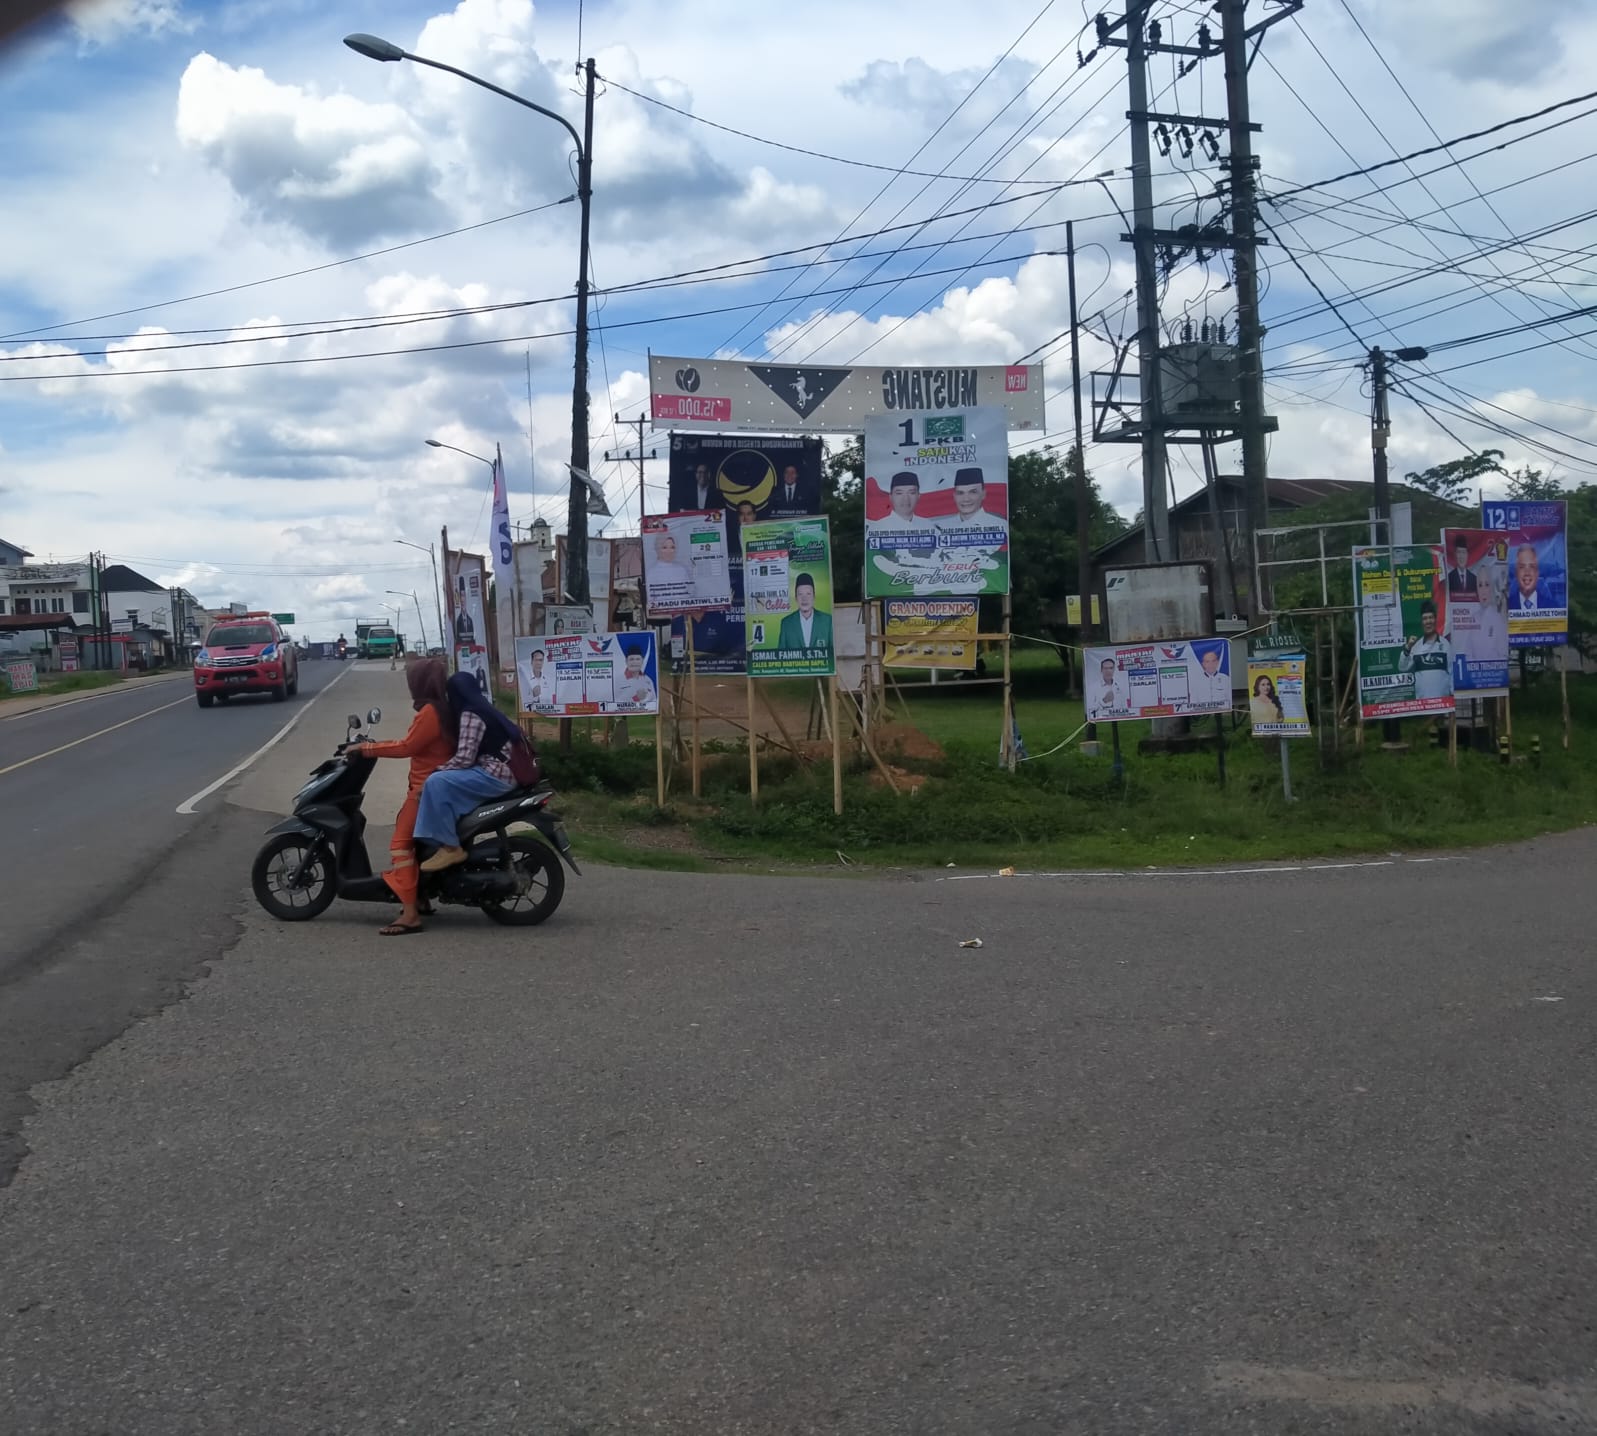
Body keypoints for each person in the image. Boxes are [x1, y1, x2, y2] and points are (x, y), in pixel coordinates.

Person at [346, 658, 454, 936]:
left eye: (412, 681)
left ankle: (410, 915)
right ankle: (420, 896)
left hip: (426, 791)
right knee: (416, 844)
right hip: (431, 787)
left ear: (420, 683)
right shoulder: (441, 708)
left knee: (400, 845)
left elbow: (407, 746)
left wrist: (367, 748)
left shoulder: (430, 712)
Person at [415, 673, 524, 872]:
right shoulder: (485, 708)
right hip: (505, 772)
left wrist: (436, 770)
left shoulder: (470, 714)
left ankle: (451, 848)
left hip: (496, 775)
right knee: (444, 783)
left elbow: (464, 758)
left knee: (436, 782)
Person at [1400, 599, 1452, 701]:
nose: (1428, 621)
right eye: (1425, 618)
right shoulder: (1416, 646)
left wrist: (1451, 705)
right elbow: (1403, 668)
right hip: (1422, 705)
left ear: (1435, 619)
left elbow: (1452, 673)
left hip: (1442, 704)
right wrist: (1407, 648)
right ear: (1421, 621)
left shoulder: (1445, 644)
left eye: (1430, 618)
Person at [776, 572, 833, 652]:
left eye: (808, 594)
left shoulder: (827, 621)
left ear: (814, 596)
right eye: (800, 594)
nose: (804, 598)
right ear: (796, 598)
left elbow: (832, 652)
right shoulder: (786, 623)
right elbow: (780, 654)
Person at [1509, 543, 1557, 611]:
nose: (1527, 573)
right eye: (1522, 567)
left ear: (1537, 573)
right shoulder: (1506, 607)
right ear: (1516, 573)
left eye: (1531, 566)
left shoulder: (1553, 607)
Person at [1194, 644, 1231, 708]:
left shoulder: (1226, 678)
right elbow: (1194, 701)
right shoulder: (1196, 681)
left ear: (1217, 662)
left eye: (1213, 661)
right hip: (1202, 710)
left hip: (1222, 709)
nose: (1211, 664)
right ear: (1203, 664)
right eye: (1207, 661)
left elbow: (1229, 698)